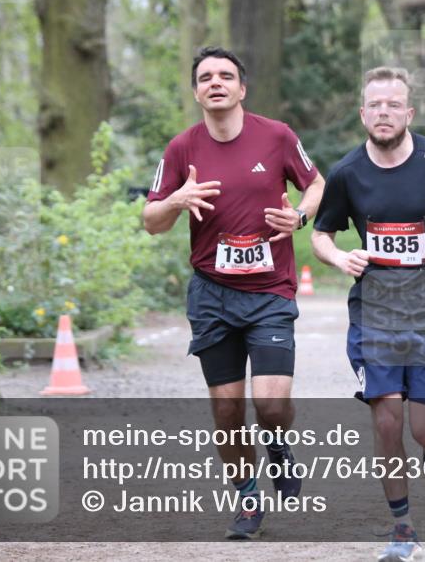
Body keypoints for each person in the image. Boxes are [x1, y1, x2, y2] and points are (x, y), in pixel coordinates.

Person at [142, 46, 324, 540]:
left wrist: (301, 217)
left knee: (270, 408)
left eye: (226, 75)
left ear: (242, 88)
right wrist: (177, 200)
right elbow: (151, 222)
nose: (215, 82)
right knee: (226, 411)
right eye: (205, 77)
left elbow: (316, 182)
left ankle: (279, 446)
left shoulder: (277, 136)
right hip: (213, 295)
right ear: (197, 91)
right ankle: (247, 498)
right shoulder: (182, 149)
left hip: (269, 293)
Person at [311, 66, 425, 562]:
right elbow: (322, 234)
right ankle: (402, 527)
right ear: (363, 113)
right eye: (374, 105)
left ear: (408, 112)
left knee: (424, 428)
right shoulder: (346, 172)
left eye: (393, 105)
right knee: (386, 418)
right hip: (376, 313)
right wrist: (340, 257)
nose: (383, 112)